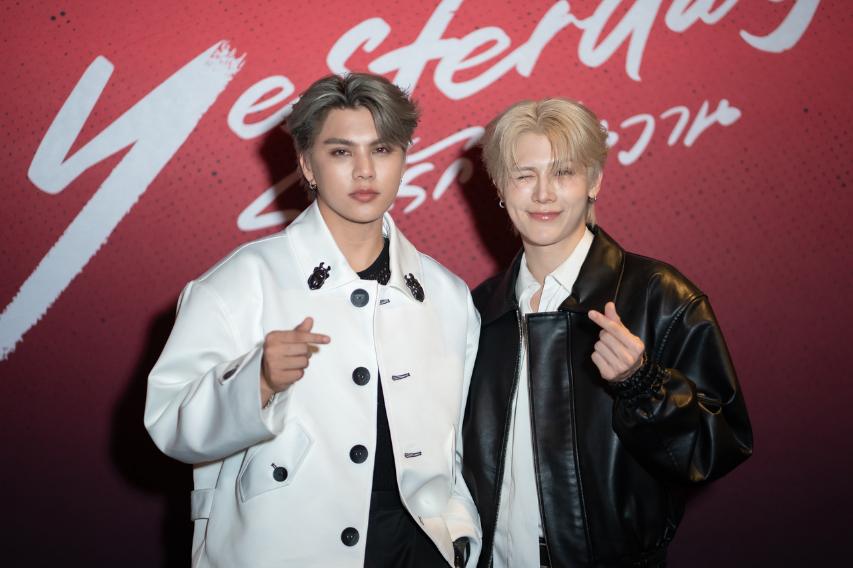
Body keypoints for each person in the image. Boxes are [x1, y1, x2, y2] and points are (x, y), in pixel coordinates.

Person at [145, 73, 481, 568]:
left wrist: (460, 536)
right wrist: (257, 381)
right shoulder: (242, 281)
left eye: (382, 150)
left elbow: (459, 449)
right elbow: (169, 424)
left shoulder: (447, 296)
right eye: (341, 152)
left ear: (403, 159)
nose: (364, 171)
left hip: (419, 549)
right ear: (307, 163)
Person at [461, 98, 752, 568]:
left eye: (563, 172)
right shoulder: (477, 312)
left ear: (594, 180)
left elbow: (718, 449)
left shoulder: (658, 294)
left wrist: (642, 383)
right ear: (500, 186)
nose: (543, 194)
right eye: (524, 175)